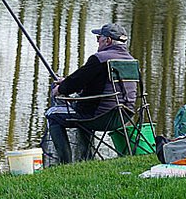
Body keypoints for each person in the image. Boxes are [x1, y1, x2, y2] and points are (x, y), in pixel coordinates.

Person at [45, 22, 138, 164]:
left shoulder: (99, 59)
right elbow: (90, 83)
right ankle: (85, 158)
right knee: (85, 110)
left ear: (107, 40)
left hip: (99, 117)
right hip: (124, 115)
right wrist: (66, 82)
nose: (97, 42)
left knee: (52, 114)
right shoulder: (132, 61)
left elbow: (76, 82)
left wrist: (60, 88)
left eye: (98, 38)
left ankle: (65, 163)